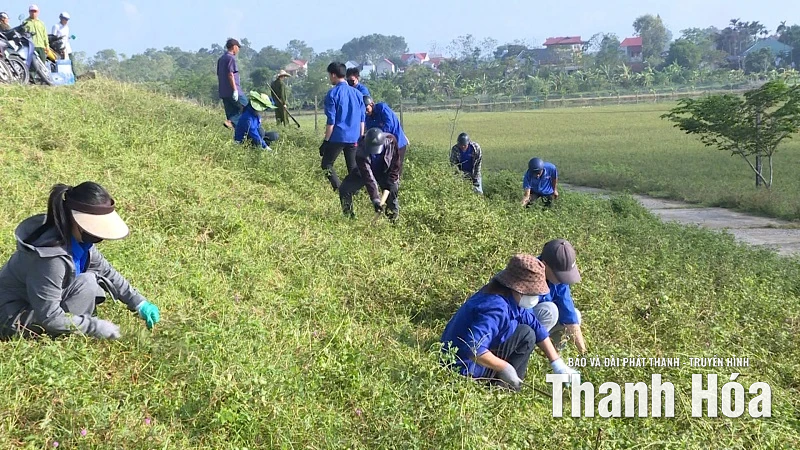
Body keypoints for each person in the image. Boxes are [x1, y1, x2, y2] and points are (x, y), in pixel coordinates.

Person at [0, 182, 161, 340]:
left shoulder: (77, 239)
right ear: (75, 221)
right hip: (13, 316)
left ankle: (71, 325)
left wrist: (140, 304)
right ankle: (63, 333)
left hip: (37, 302)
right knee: (64, 314)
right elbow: (49, 317)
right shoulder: (51, 259)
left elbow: (106, 272)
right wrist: (94, 327)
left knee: (89, 281)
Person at [440, 254, 580, 391]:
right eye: (533, 293)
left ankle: (506, 384)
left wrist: (557, 363)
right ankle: (503, 389)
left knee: (526, 332)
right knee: (526, 335)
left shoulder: (511, 298)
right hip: (463, 368)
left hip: (474, 357)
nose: (535, 298)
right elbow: (474, 349)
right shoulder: (496, 308)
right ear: (519, 288)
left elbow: (536, 326)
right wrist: (504, 367)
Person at [339, 127, 404, 221]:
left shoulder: (390, 141)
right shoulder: (360, 151)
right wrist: (376, 200)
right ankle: (349, 219)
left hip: (384, 171)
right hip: (365, 171)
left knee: (392, 191)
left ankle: (393, 220)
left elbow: (396, 163)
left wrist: (391, 180)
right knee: (344, 189)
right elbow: (368, 176)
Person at [535, 239, 587, 354]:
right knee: (550, 310)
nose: (562, 280)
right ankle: (531, 350)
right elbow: (523, 317)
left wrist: (584, 354)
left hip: (541, 327)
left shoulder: (560, 280)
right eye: (559, 275)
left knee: (576, 316)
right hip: (520, 326)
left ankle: (551, 354)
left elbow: (569, 316)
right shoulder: (528, 274)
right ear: (544, 265)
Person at [320, 62, 365, 192]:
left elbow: (331, 121)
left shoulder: (333, 94)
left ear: (333, 75)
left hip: (338, 136)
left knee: (326, 164)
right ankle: (354, 190)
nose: (329, 78)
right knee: (353, 167)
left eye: (329, 75)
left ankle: (339, 188)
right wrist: (360, 137)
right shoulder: (357, 94)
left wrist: (326, 141)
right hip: (354, 136)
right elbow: (362, 119)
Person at [363, 96, 409, 171]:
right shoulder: (368, 118)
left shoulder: (382, 108)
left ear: (371, 104)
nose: (365, 111)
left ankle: (396, 182)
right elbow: (370, 132)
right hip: (383, 146)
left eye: (366, 108)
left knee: (395, 169)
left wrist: (378, 134)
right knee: (383, 169)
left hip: (397, 143)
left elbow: (389, 124)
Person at [217, 38, 245, 130]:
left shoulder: (221, 59)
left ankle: (236, 133)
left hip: (224, 92)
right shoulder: (230, 58)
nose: (238, 50)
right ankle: (231, 122)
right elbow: (230, 74)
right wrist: (235, 90)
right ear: (234, 47)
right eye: (238, 47)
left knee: (232, 113)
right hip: (233, 91)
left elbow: (219, 75)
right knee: (248, 108)